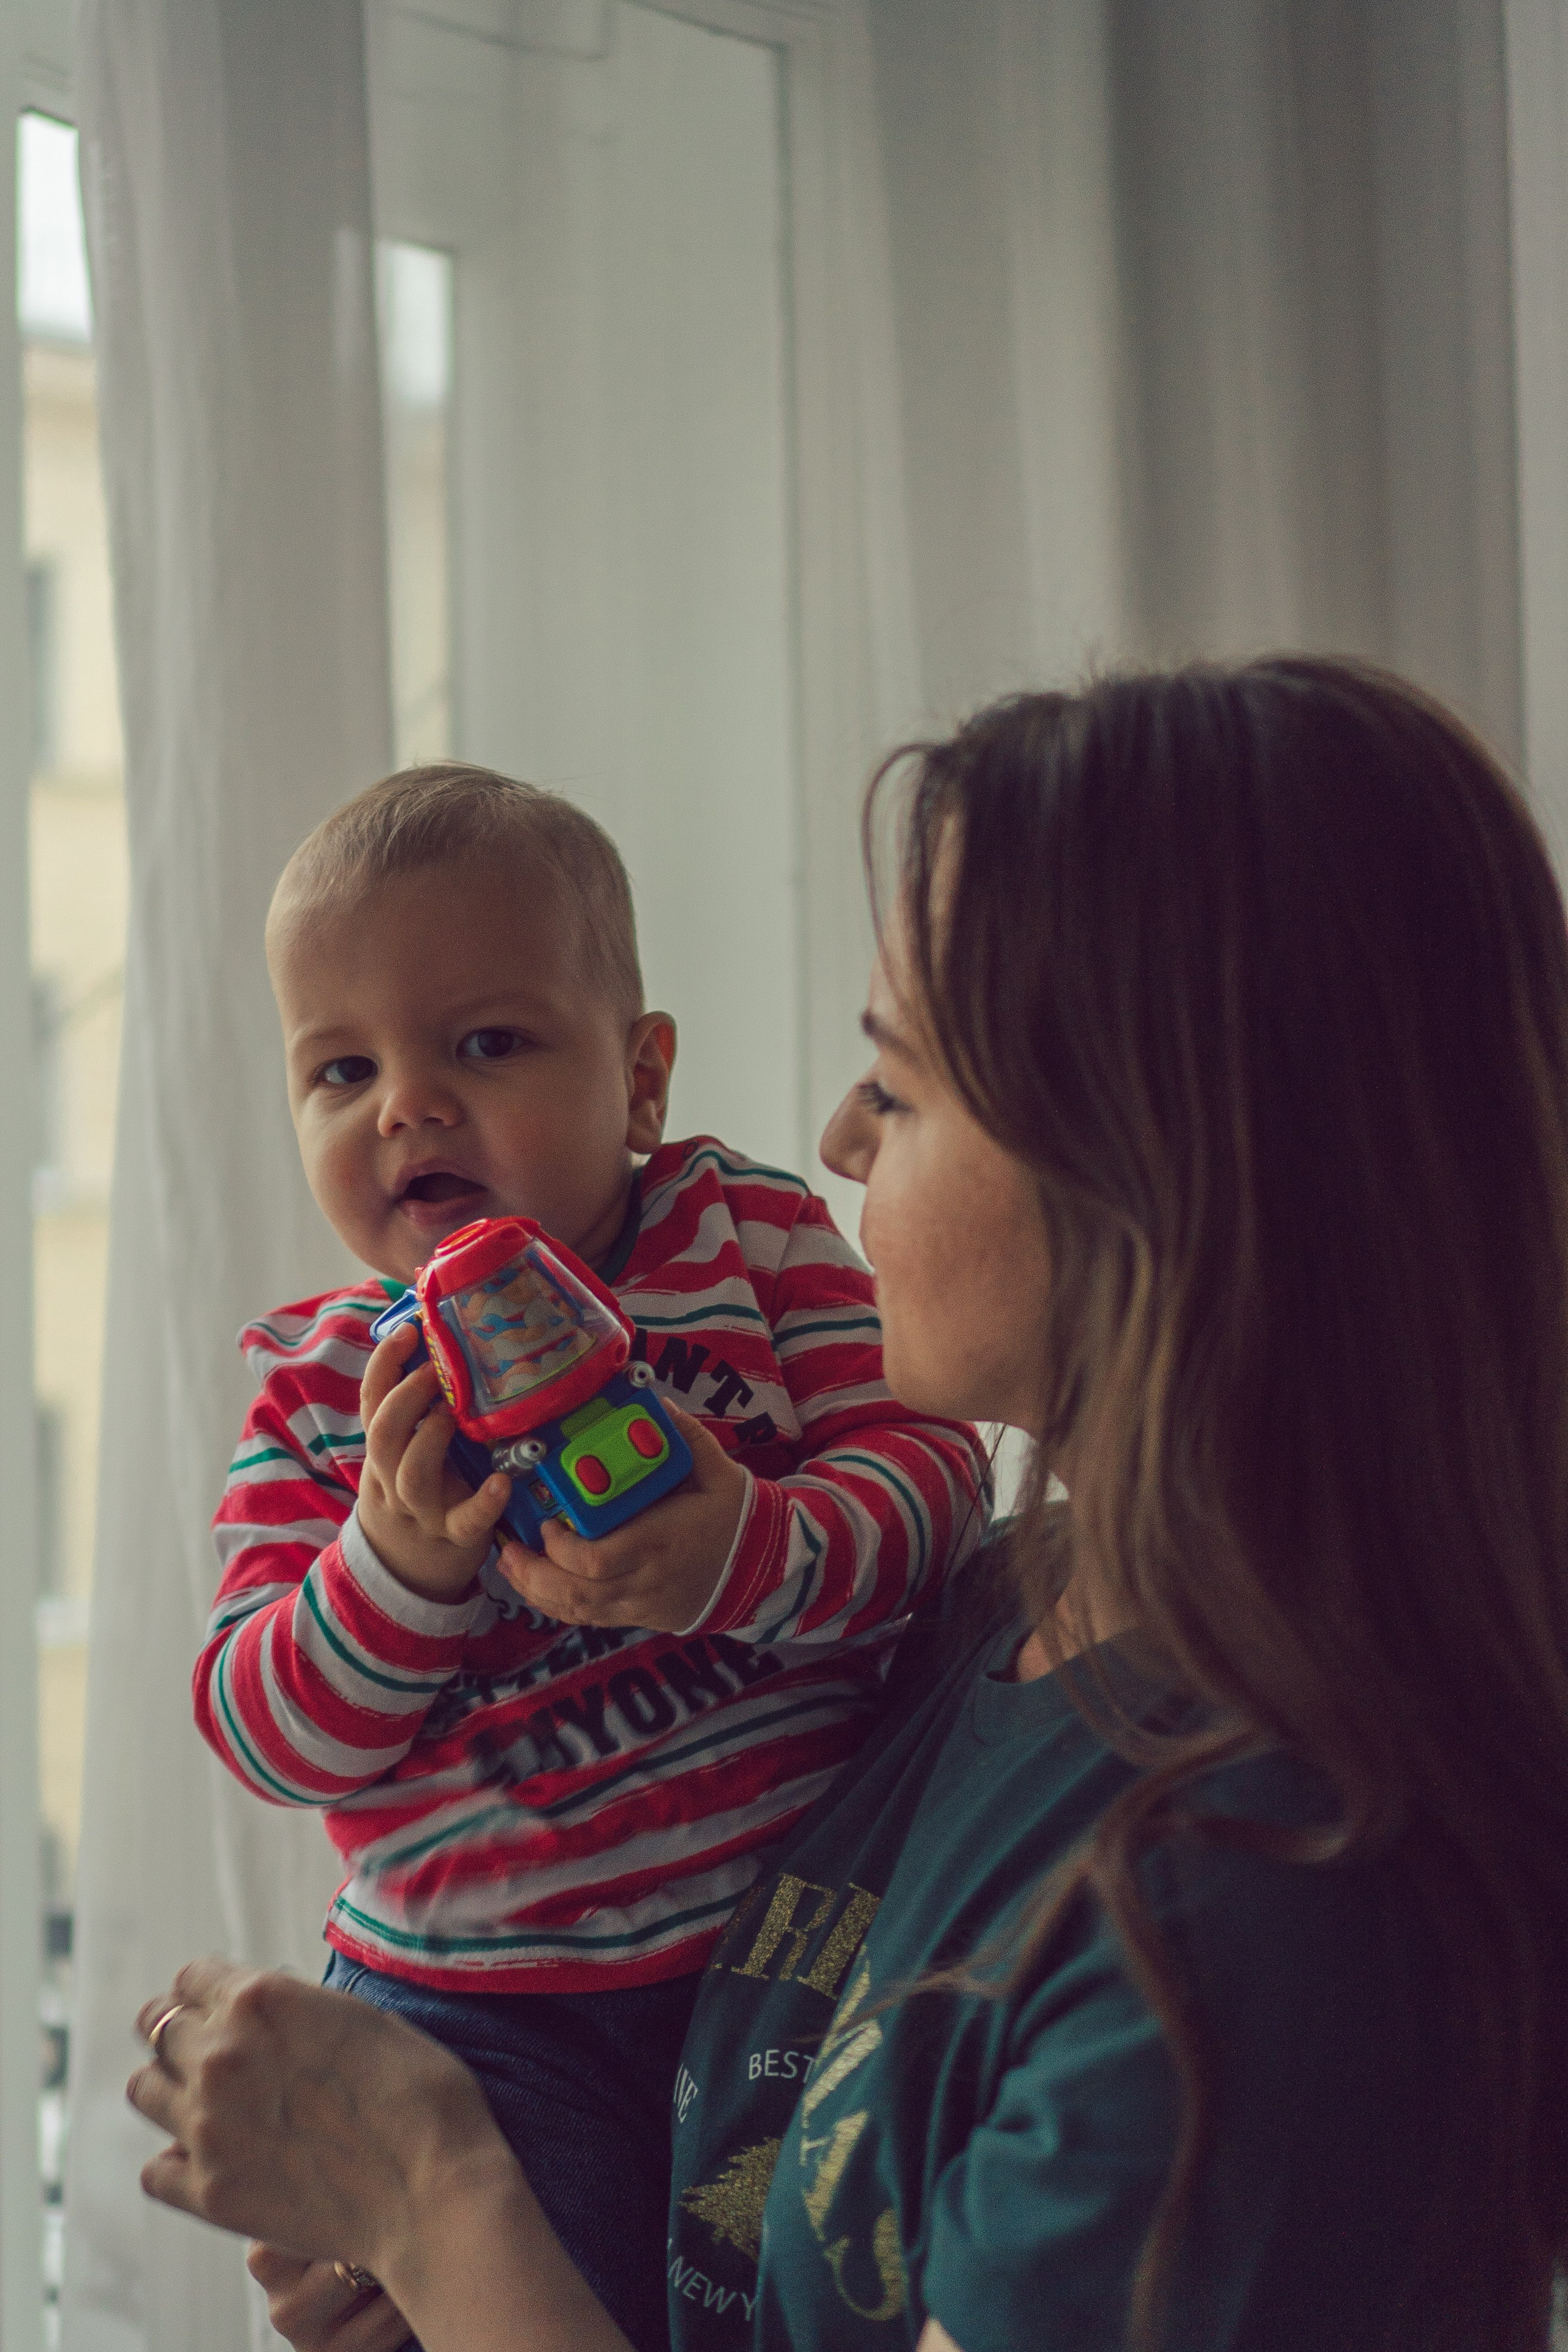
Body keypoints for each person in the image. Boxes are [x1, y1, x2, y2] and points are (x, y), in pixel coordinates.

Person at [132, 662, 1568, 2352]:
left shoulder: (1258, 1934)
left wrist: (440, 2201)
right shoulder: (994, 1621)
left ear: (1152, 1158)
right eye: (336, 1071)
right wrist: (462, 2274)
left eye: (899, 1082)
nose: (834, 1136)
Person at [194, 763, 989, 2350]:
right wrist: (394, 1567)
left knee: (779, 2311)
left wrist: (738, 1555)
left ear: (638, 1082)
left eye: (484, 1043)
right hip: (481, 2019)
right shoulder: (316, 1392)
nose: (406, 1105)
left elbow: (929, 1485)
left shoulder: (748, 1240)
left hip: (788, 1952)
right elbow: (261, 1724)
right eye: (340, 1070)